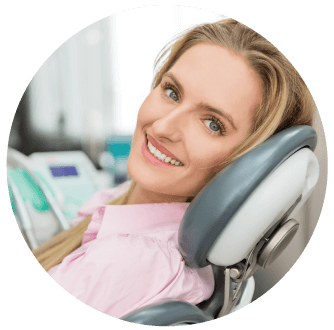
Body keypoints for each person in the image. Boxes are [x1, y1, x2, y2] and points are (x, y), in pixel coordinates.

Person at [32, 18, 316, 319]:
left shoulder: (127, 263)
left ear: (244, 167)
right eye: (172, 92)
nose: (163, 127)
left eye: (212, 124)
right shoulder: (129, 209)